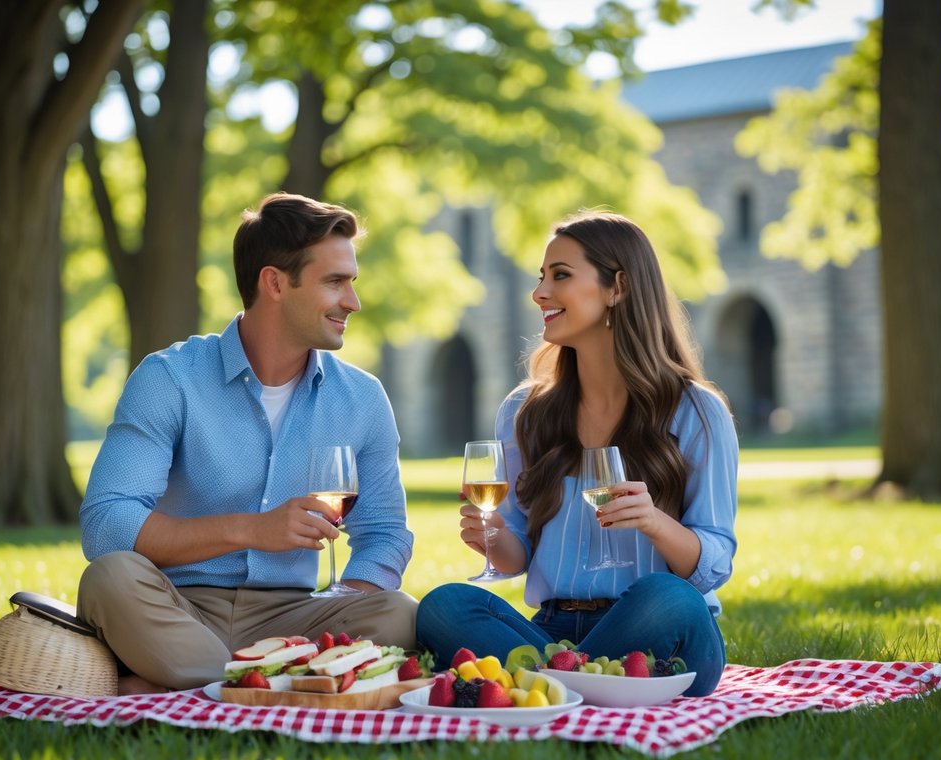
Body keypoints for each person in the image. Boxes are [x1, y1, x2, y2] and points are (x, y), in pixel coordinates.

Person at [77, 193, 417, 694]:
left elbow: (385, 533)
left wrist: (342, 603)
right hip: (178, 605)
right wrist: (252, 530)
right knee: (110, 578)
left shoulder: (362, 399)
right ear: (275, 282)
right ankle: (273, 685)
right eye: (334, 282)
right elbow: (107, 523)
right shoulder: (170, 379)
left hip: (296, 616)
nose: (353, 301)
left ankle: (193, 682)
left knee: (398, 613)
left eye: (351, 282)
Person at [415, 210, 738, 696]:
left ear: (618, 287)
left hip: (652, 628)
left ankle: (546, 685)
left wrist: (654, 522)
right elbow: (515, 554)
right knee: (445, 606)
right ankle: (586, 681)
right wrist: (494, 539)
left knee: (669, 597)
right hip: (551, 630)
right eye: (540, 278)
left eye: (560, 276)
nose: (540, 293)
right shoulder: (525, 410)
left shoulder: (695, 411)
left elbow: (714, 564)